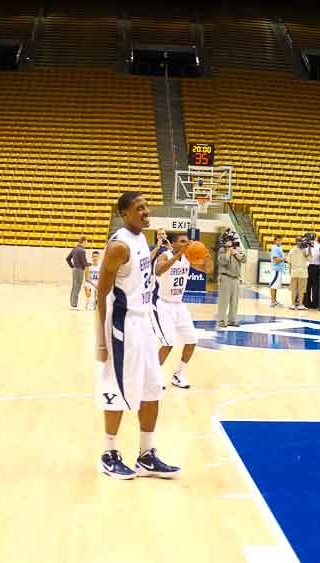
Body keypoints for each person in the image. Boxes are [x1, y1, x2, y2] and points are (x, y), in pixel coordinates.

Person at [95, 191, 182, 480]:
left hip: (143, 321)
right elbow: (102, 292)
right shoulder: (118, 246)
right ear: (124, 213)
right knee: (118, 387)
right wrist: (101, 339)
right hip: (123, 323)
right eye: (139, 208)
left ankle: (146, 455)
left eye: (146, 207)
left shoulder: (142, 239)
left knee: (152, 388)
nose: (146, 211)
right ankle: (109, 453)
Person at [156, 230, 201, 390]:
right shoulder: (165, 256)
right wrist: (177, 255)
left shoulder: (188, 257)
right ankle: (154, 375)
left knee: (192, 340)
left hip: (179, 305)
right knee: (168, 343)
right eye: (182, 241)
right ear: (173, 243)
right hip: (164, 305)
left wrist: (203, 254)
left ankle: (178, 374)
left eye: (187, 242)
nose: (186, 244)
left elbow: (207, 268)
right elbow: (158, 271)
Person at [215, 230, 244, 327]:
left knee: (234, 301)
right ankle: (222, 321)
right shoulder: (221, 250)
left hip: (236, 278)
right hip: (225, 277)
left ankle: (232, 320)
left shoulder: (238, 250)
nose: (233, 241)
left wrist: (235, 253)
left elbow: (244, 259)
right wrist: (228, 251)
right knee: (224, 300)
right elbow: (224, 261)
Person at [69, 237, 90, 310]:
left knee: (74, 286)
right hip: (79, 270)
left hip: (74, 269)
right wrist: (90, 264)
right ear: (83, 242)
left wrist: (72, 266)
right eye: (86, 242)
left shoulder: (74, 249)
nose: (86, 244)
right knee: (77, 286)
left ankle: (72, 303)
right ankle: (74, 305)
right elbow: (84, 262)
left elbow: (68, 258)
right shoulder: (82, 250)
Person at [268, 241, 289, 308]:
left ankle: (274, 300)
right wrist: (284, 258)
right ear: (275, 240)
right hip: (276, 270)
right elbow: (275, 259)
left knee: (276, 286)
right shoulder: (275, 248)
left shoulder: (279, 248)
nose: (280, 241)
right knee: (273, 286)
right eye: (279, 240)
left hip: (279, 270)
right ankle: (272, 301)